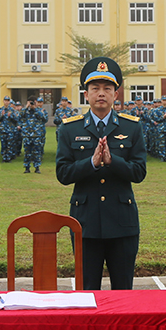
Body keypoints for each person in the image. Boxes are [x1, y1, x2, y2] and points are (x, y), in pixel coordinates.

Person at [55, 57, 147, 290]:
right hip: (86, 223)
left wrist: (112, 161)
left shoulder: (131, 127)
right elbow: (63, 174)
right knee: (87, 291)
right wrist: (92, 163)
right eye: (95, 88)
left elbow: (138, 172)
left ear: (116, 94)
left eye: (108, 88)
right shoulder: (70, 128)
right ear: (86, 94)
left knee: (123, 291)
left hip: (122, 222)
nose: (101, 93)